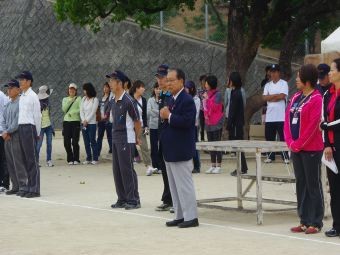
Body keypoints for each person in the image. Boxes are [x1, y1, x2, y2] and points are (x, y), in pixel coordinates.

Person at [284, 64, 324, 234]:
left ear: (308, 81)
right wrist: (290, 142)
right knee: (301, 183)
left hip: (311, 148)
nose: (297, 79)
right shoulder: (295, 98)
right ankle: (304, 219)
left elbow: (313, 126)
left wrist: (299, 143)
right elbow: (286, 120)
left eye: (299, 76)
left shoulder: (316, 99)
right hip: (296, 148)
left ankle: (316, 221)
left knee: (313, 184)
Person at [160, 68, 199, 228]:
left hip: (181, 149)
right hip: (170, 149)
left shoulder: (187, 99)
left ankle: (191, 217)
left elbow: (187, 121)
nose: (168, 83)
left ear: (181, 81)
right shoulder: (171, 99)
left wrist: (168, 116)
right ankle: (179, 215)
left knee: (184, 185)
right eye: (167, 80)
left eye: (171, 80)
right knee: (174, 186)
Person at [106, 70, 141, 210]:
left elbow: (137, 121)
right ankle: (122, 198)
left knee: (127, 169)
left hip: (127, 138)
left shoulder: (128, 100)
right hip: (115, 137)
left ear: (119, 83)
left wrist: (137, 137)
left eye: (112, 81)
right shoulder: (113, 100)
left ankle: (133, 199)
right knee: (117, 170)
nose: (110, 83)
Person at [321, 58, 340, 237]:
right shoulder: (328, 94)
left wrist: (328, 126)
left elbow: (329, 123)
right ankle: (337, 224)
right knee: (334, 189)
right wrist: (327, 144)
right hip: (332, 149)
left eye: (333, 70)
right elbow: (324, 120)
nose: (329, 73)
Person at [16, 71, 41, 198]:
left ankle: (35, 188)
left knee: (32, 159)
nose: (20, 82)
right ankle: (28, 186)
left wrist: (37, 132)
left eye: (23, 80)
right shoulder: (22, 96)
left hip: (30, 128)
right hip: (21, 127)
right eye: (20, 80)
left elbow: (37, 115)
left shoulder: (33, 96)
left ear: (29, 82)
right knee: (24, 159)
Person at [2, 80, 27, 195]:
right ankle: (15, 186)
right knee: (10, 162)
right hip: (6, 136)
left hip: (16, 135)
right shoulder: (7, 104)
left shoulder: (21, 102)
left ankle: (23, 186)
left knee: (18, 161)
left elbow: (17, 121)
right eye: (8, 88)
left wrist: (8, 131)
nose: (9, 90)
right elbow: (3, 119)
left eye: (11, 88)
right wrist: (4, 131)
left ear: (18, 89)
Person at [155, 64, 173, 212]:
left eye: (162, 77)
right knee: (164, 167)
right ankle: (167, 198)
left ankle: (175, 200)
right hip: (163, 135)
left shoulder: (173, 95)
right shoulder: (162, 95)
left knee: (172, 169)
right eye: (158, 77)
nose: (159, 80)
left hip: (172, 136)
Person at [263, 64, 289, 164]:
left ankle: (285, 156)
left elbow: (282, 96)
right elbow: (264, 98)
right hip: (270, 116)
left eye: (274, 72)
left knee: (283, 137)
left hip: (281, 116)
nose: (272, 74)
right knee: (269, 137)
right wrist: (274, 96)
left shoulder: (284, 83)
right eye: (271, 72)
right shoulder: (267, 85)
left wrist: (271, 97)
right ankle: (270, 156)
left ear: (279, 72)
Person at [130, 80, 156, 176]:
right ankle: (127, 167)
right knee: (129, 147)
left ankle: (148, 166)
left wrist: (145, 126)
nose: (144, 89)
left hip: (140, 126)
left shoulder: (144, 100)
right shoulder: (129, 99)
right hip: (130, 127)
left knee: (144, 146)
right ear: (137, 88)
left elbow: (144, 115)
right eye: (142, 87)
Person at [227, 72, 248, 176]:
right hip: (237, 123)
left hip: (236, 124)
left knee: (237, 146)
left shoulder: (236, 93)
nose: (228, 81)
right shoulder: (235, 92)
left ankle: (242, 168)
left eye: (229, 79)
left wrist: (229, 123)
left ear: (232, 81)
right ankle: (243, 167)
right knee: (237, 146)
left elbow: (232, 111)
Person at [203, 75, 224, 174]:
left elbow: (215, 107)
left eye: (206, 83)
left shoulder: (218, 94)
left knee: (217, 144)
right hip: (208, 121)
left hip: (216, 122)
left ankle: (218, 165)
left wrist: (207, 99)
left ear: (211, 84)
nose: (205, 85)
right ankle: (213, 165)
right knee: (211, 144)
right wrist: (205, 114)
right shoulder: (206, 94)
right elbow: (205, 107)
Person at [62, 83, 81, 165]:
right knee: (66, 142)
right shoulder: (65, 99)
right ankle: (70, 158)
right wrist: (70, 100)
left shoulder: (79, 99)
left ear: (76, 90)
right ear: (68, 90)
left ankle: (76, 158)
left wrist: (72, 113)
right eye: (70, 89)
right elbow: (64, 109)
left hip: (75, 121)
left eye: (73, 89)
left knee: (75, 142)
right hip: (66, 122)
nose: (71, 90)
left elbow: (80, 109)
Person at [80, 82, 99, 165]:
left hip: (92, 123)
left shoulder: (95, 99)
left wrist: (86, 120)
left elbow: (93, 111)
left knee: (92, 140)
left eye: (85, 89)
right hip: (83, 123)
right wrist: (83, 120)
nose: (84, 91)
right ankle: (88, 157)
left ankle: (95, 158)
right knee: (86, 141)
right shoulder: (83, 99)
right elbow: (81, 110)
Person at [36, 85, 55, 167]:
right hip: (40, 127)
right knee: (38, 145)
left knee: (49, 144)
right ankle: (36, 161)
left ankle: (49, 160)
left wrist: (52, 127)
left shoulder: (48, 103)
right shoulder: (37, 104)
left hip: (48, 126)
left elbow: (50, 116)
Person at [184, 80, 201, 173]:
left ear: (192, 88)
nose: (185, 89)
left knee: (194, 145)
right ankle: (190, 165)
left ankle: (197, 166)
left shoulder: (196, 99)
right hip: (187, 124)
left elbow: (196, 113)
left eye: (187, 87)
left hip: (193, 125)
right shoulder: (185, 98)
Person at [147, 82, 162, 174]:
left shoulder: (164, 99)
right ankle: (155, 165)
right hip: (153, 126)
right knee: (154, 147)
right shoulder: (150, 100)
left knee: (161, 147)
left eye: (159, 88)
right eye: (156, 88)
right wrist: (159, 112)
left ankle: (161, 166)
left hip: (161, 126)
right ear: (154, 89)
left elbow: (165, 111)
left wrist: (155, 111)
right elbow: (148, 112)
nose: (158, 90)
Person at [97, 82, 113, 157]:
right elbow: (99, 108)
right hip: (101, 121)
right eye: (104, 87)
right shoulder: (101, 98)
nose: (105, 89)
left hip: (107, 120)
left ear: (110, 89)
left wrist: (106, 115)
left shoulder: (110, 98)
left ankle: (112, 151)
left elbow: (110, 107)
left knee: (110, 137)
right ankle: (97, 152)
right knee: (99, 137)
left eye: (107, 87)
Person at [0, 83, 10, 191]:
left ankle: (5, 183)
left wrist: (5, 130)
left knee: (4, 159)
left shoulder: (1, 96)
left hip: (2, 132)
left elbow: (5, 114)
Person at [198, 74, 207, 142]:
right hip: (201, 110)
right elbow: (198, 99)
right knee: (202, 124)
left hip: (208, 110)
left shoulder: (208, 89)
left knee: (208, 124)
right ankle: (202, 138)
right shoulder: (199, 90)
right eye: (203, 80)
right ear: (200, 81)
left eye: (205, 80)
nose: (204, 82)